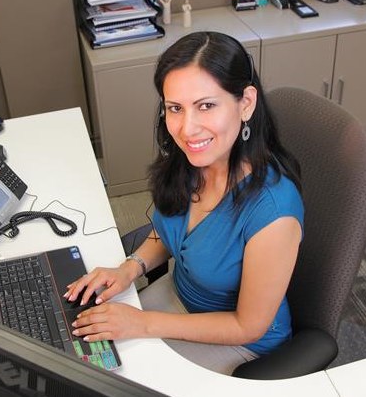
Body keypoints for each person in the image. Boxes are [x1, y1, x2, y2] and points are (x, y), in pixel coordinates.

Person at [66, 31, 304, 374]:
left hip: (242, 344)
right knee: (79, 356)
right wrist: (129, 268)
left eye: (206, 105)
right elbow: (170, 232)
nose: (187, 129)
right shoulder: (192, 161)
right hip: (175, 301)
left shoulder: (273, 211)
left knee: (110, 379)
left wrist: (142, 323)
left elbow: (248, 326)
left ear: (246, 103)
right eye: (175, 108)